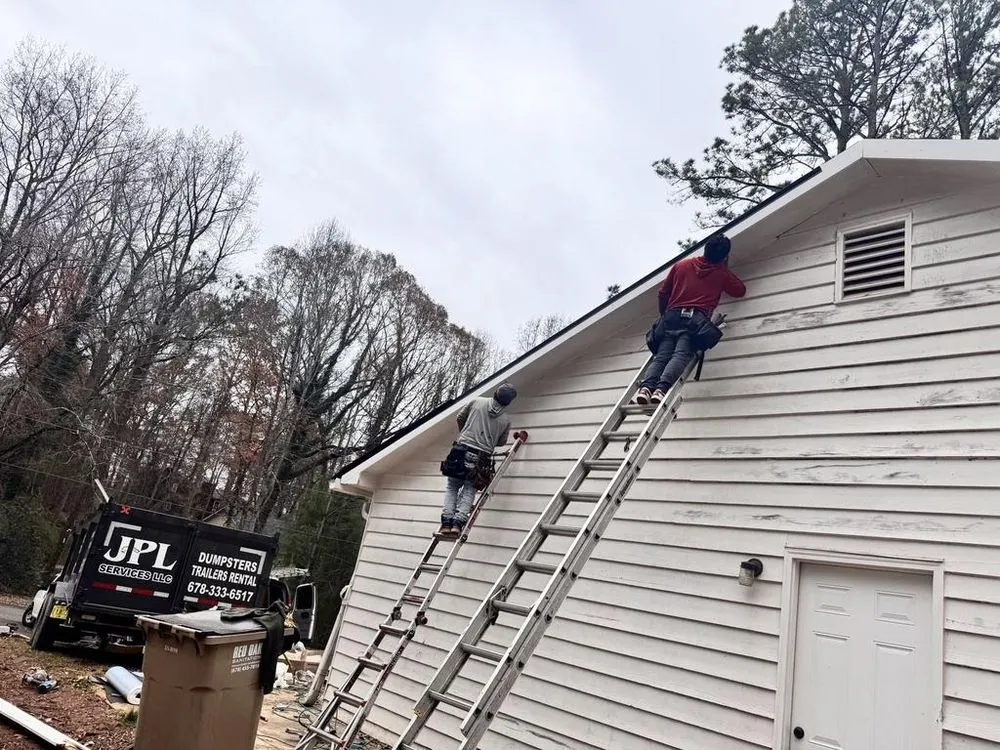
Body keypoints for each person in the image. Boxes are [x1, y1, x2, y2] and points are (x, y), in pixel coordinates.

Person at [635, 234, 746, 404]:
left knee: (662, 356)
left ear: (705, 249)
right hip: (695, 321)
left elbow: (663, 293)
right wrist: (724, 267)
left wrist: (664, 315)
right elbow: (740, 290)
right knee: (681, 354)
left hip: (671, 317)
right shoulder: (721, 273)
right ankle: (660, 390)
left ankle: (645, 388)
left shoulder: (682, 265)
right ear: (724, 256)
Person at [438, 383, 517, 536]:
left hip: (461, 450)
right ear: (508, 402)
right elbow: (501, 442)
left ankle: (446, 523)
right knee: (469, 489)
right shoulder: (506, 420)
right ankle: (457, 525)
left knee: (452, 487)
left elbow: (460, 417)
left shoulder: (476, 401)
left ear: (495, 393)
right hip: (482, 458)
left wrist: (467, 434)